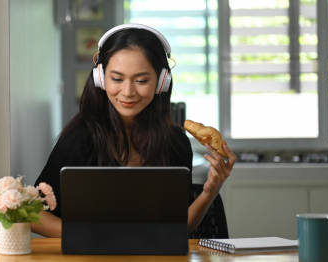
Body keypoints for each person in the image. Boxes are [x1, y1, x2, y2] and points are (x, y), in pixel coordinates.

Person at [31, 23, 237, 238]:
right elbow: (34, 213)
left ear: (162, 82)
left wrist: (209, 191)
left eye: (141, 80)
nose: (128, 92)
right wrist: (91, 235)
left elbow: (177, 229)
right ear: (100, 78)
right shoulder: (80, 138)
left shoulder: (175, 141)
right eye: (117, 79)